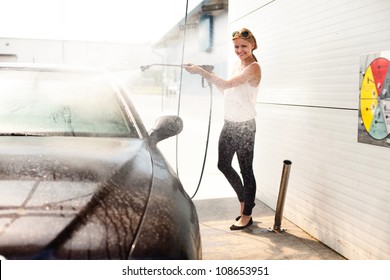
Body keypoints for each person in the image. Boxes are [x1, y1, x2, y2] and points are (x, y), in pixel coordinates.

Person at [185, 28, 261, 230]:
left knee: (246, 169)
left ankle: (247, 214)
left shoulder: (254, 68)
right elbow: (226, 90)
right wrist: (211, 76)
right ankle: (245, 203)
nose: (240, 50)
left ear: (252, 45)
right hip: (230, 123)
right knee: (223, 165)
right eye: (236, 46)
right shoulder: (237, 64)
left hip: (245, 126)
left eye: (244, 46)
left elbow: (227, 85)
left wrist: (203, 72)